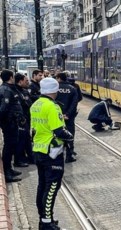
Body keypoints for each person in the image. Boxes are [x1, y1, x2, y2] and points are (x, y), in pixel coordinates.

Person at [30, 77, 73, 230]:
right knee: (52, 187)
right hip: (52, 153)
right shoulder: (53, 107)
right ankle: (47, 223)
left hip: (38, 150)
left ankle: (43, 219)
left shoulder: (36, 104)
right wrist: (70, 136)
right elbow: (59, 131)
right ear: (55, 90)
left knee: (42, 185)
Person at [0, 69, 25, 182]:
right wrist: (7, 121)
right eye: (13, 76)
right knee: (9, 147)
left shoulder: (10, 88)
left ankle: (9, 169)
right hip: (9, 123)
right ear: (10, 77)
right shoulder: (6, 90)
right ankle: (7, 172)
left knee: (12, 145)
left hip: (13, 123)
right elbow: (3, 109)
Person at [55, 72, 79, 163]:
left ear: (58, 78)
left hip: (56, 116)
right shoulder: (72, 89)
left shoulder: (55, 88)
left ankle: (57, 155)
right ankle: (69, 155)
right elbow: (74, 103)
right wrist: (67, 114)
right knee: (69, 135)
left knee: (57, 134)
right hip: (69, 117)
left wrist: (59, 115)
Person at [14, 73, 34, 166]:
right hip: (20, 120)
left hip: (27, 118)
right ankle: (19, 160)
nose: (28, 82)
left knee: (26, 138)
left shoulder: (25, 91)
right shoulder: (14, 91)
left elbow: (29, 102)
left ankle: (30, 157)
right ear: (20, 81)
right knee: (21, 140)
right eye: (26, 81)